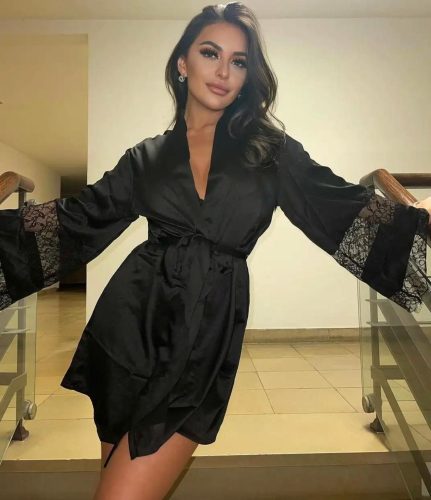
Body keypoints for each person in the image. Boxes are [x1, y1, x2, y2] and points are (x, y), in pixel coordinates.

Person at [1, 2, 430, 499]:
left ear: (248, 76)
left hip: (205, 329)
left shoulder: (269, 150)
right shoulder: (146, 157)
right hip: (129, 327)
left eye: (239, 61)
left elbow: (335, 205)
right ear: (183, 63)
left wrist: (417, 219)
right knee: (120, 482)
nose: (224, 71)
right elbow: (76, 221)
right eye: (210, 53)